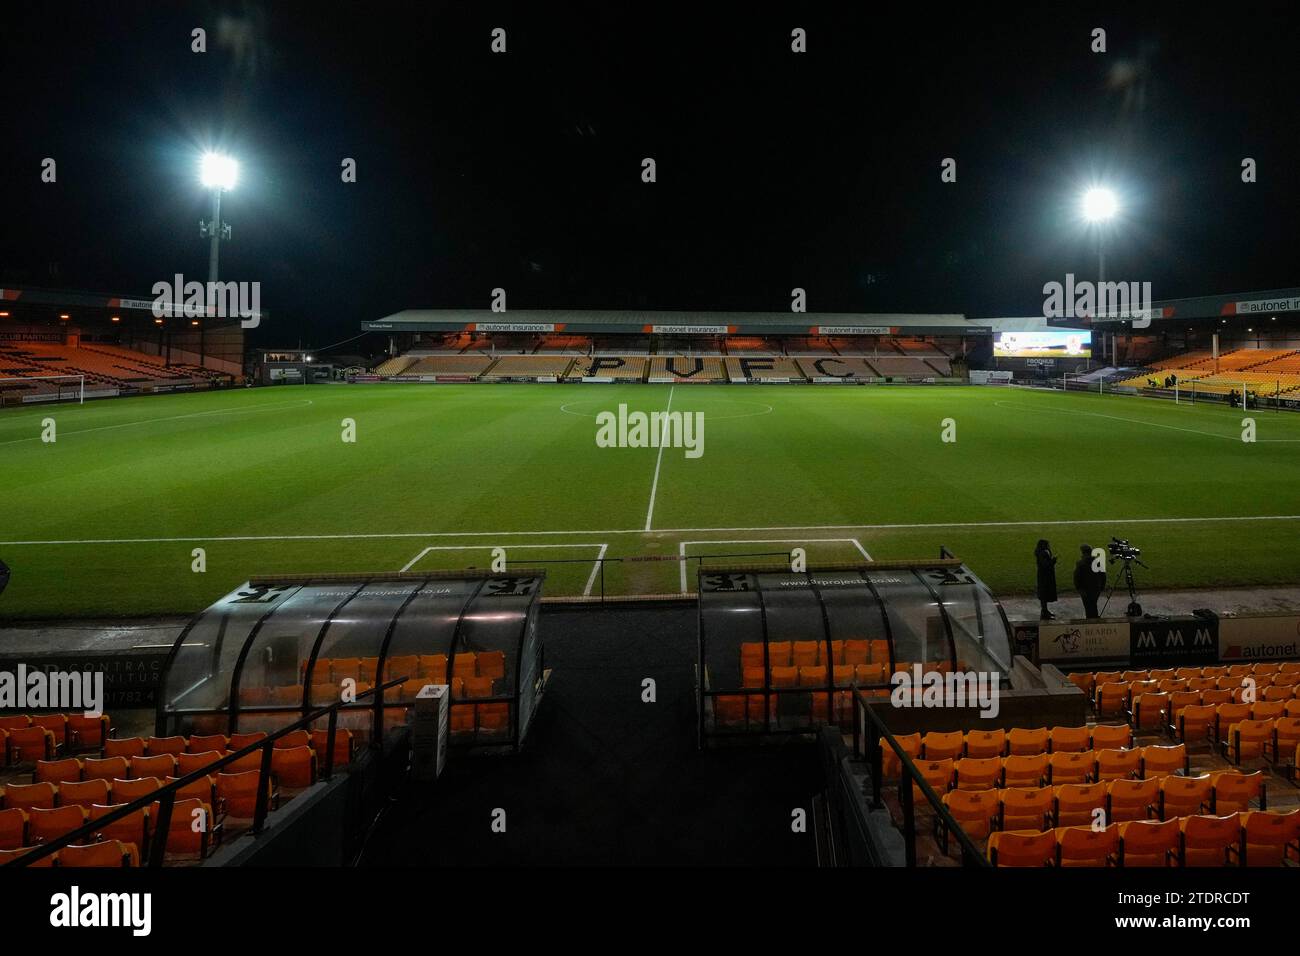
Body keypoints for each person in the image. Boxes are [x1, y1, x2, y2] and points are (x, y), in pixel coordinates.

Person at [1074, 543, 1107, 619]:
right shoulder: (1097, 562)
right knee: (1093, 604)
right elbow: (1103, 576)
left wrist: (1078, 588)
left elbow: (1077, 577)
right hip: (1096, 588)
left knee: (1088, 607)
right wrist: (1102, 586)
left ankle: (1090, 620)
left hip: (1085, 589)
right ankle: (1095, 618)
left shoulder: (1080, 563)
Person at [1034, 540, 1057, 620]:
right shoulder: (1043, 553)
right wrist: (1053, 561)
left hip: (1043, 576)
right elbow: (1045, 565)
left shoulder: (1041, 552)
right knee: (1044, 594)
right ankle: (1044, 612)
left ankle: (1045, 611)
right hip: (1045, 577)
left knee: (1044, 594)